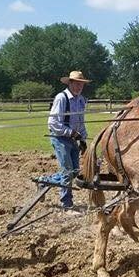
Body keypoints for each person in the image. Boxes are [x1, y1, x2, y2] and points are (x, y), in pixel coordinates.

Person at [47, 70, 89, 210]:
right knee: (67, 171)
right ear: (70, 83)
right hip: (60, 138)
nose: (79, 87)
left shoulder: (81, 100)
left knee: (75, 171)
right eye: (76, 84)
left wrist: (82, 138)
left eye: (81, 84)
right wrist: (70, 132)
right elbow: (53, 122)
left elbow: (80, 122)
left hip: (73, 139)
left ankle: (44, 182)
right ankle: (67, 205)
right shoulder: (61, 98)